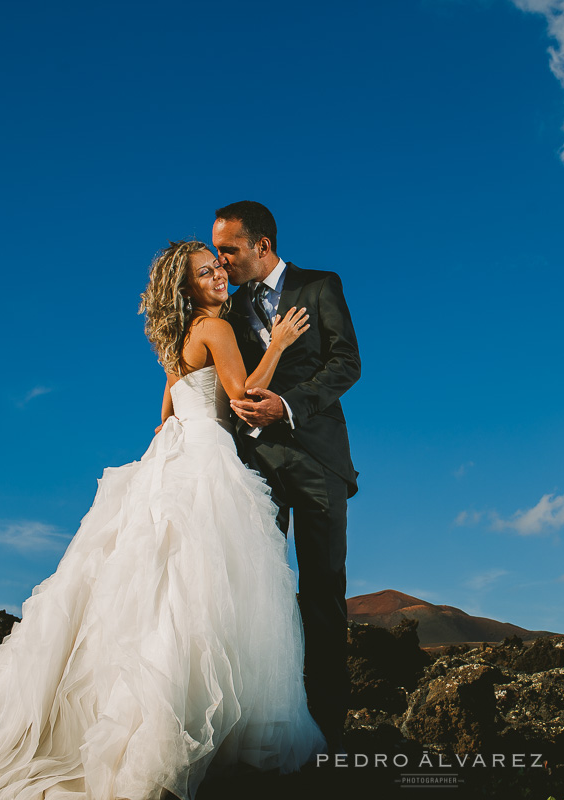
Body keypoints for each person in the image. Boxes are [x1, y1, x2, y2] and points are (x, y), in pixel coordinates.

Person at [0, 241, 325, 800]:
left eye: (217, 267)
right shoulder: (216, 328)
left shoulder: (177, 340)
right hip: (208, 458)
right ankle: (191, 732)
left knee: (167, 590)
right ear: (187, 288)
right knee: (203, 591)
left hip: (177, 454)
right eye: (205, 272)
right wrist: (279, 343)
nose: (217, 276)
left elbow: (165, 412)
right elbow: (241, 397)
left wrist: (176, 427)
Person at [210, 201, 360, 753]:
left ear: (262, 245)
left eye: (229, 249)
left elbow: (346, 362)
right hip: (255, 468)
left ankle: (327, 732)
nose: (221, 261)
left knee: (322, 592)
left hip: (319, 460)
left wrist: (289, 407)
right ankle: (265, 728)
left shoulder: (320, 286)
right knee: (260, 594)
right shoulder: (225, 308)